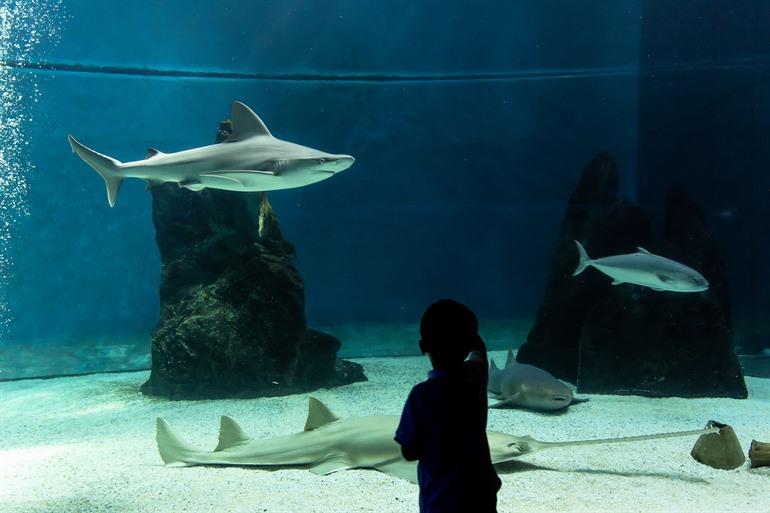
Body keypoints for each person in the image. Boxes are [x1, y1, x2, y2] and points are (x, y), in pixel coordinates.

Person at [395, 299, 501, 513]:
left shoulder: (421, 395)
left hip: (441, 501)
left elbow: (409, 451)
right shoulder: (476, 378)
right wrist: (470, 336)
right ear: (469, 341)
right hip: (481, 497)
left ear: (423, 347)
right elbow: (480, 350)